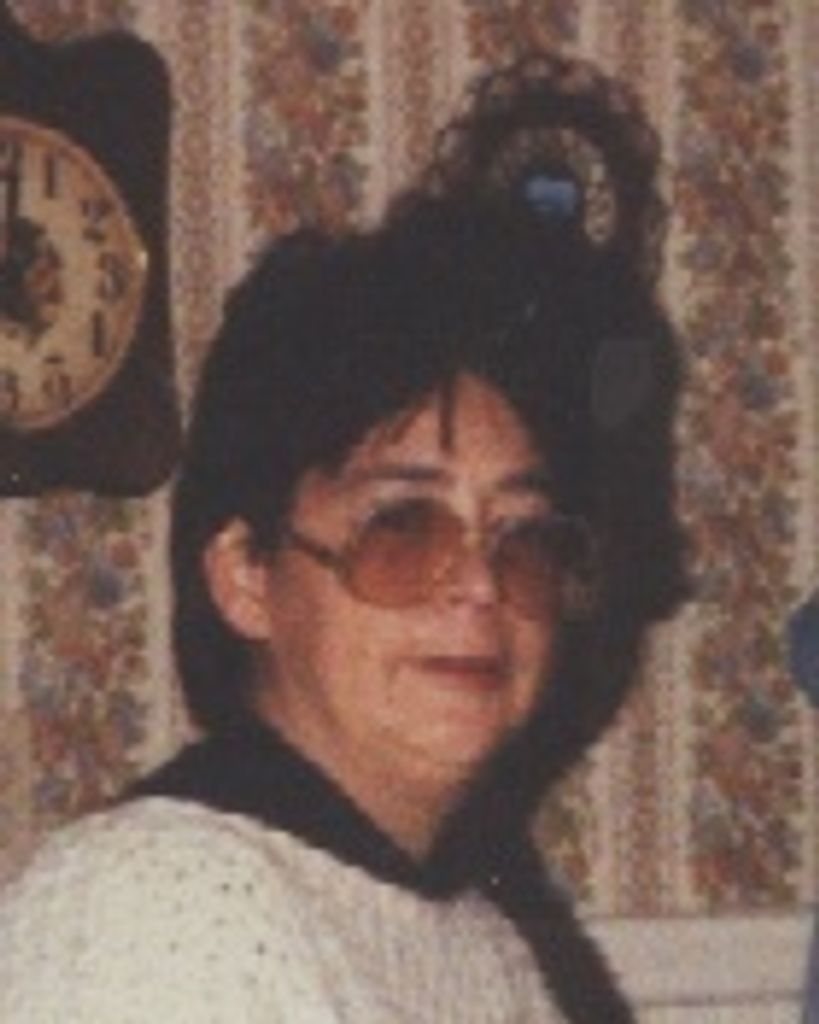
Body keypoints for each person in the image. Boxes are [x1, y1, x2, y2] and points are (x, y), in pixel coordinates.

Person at [0, 52, 685, 1022]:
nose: (481, 586)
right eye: (403, 526)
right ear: (245, 575)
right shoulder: (156, 910)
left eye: (525, 539)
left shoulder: (483, 945)